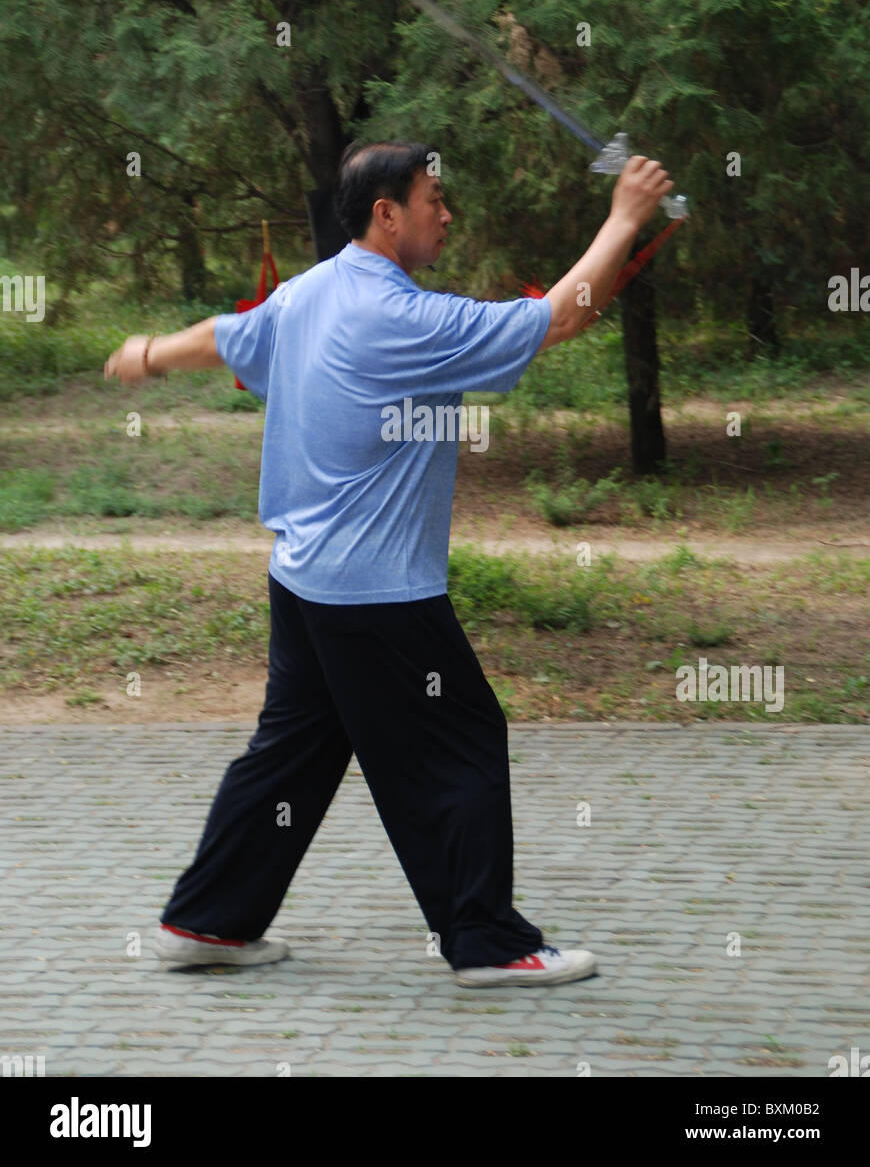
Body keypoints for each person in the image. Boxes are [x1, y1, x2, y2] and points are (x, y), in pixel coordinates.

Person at [104, 142, 673, 987]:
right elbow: (557, 317)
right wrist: (626, 215)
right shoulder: (406, 321)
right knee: (462, 740)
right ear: (386, 213)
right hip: (373, 594)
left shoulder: (310, 294)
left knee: (294, 749)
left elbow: (226, 339)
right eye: (433, 198)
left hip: (302, 578)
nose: (446, 214)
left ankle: (207, 923)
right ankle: (487, 943)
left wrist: (148, 352)